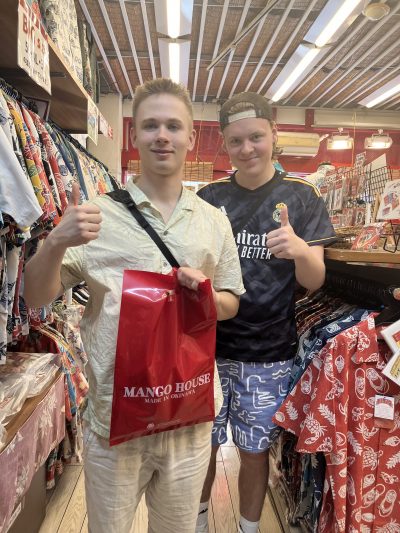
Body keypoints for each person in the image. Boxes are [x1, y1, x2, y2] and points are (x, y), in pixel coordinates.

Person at [23, 78, 245, 533]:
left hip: (187, 412)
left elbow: (230, 304)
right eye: (150, 126)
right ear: (134, 135)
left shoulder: (213, 221)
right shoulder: (96, 214)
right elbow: (35, 296)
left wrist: (205, 293)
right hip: (114, 416)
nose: (162, 136)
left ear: (191, 137)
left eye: (173, 126)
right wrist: (55, 242)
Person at [196, 92, 336, 533]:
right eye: (235, 141)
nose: (247, 148)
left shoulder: (303, 195)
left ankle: (248, 528)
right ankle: (196, 525)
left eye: (256, 137)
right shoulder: (208, 197)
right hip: (206, 349)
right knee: (200, 448)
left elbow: (314, 281)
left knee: (254, 451)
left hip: (269, 353)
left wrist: (299, 250)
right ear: (224, 143)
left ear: (274, 134)